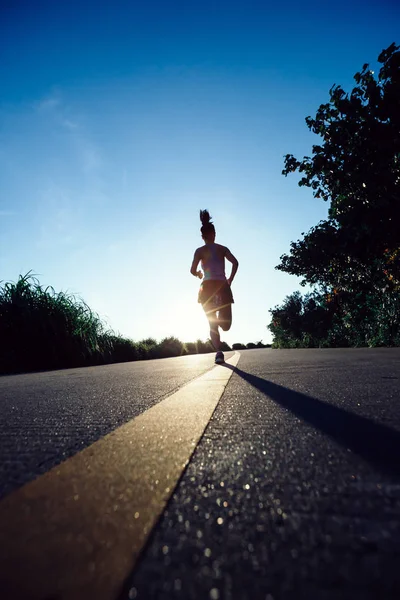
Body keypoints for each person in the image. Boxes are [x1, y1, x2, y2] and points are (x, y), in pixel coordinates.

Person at [190, 209, 239, 364]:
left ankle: (218, 351)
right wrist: (230, 279)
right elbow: (235, 262)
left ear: (203, 236)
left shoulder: (200, 251)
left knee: (215, 324)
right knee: (225, 325)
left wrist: (199, 274)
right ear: (214, 233)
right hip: (221, 286)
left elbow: (192, 270)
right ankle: (219, 352)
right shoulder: (222, 249)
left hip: (207, 287)